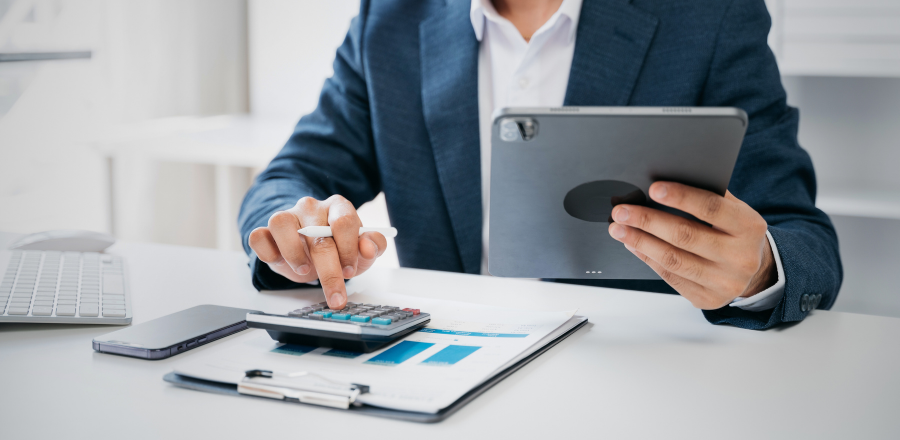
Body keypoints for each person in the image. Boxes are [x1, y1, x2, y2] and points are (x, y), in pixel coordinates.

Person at [239, 0, 842, 330]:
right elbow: (290, 178)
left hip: (637, 385)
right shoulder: (390, 18)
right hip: (440, 370)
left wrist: (760, 268)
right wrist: (293, 229)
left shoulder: (709, 16)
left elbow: (805, 239)